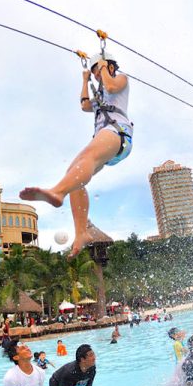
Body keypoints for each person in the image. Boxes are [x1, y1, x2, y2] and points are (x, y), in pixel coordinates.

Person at [20, 52, 132, 258]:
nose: (97, 76)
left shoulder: (120, 79)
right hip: (106, 140)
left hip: (118, 133)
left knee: (86, 158)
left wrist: (104, 68)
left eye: (99, 71)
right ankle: (81, 232)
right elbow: (84, 105)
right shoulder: (99, 94)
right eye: (95, 73)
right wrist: (85, 80)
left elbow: (112, 86)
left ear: (110, 67)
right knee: (73, 173)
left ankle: (57, 192)